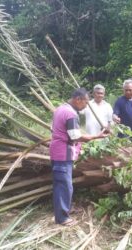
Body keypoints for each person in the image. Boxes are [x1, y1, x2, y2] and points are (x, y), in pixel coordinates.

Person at [50, 88, 109, 226]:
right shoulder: (70, 114)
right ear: (78, 99)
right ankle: (62, 218)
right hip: (63, 153)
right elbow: (75, 136)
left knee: (60, 185)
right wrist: (96, 136)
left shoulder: (61, 109)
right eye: (86, 102)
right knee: (65, 186)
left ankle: (60, 214)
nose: (86, 105)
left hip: (57, 151)